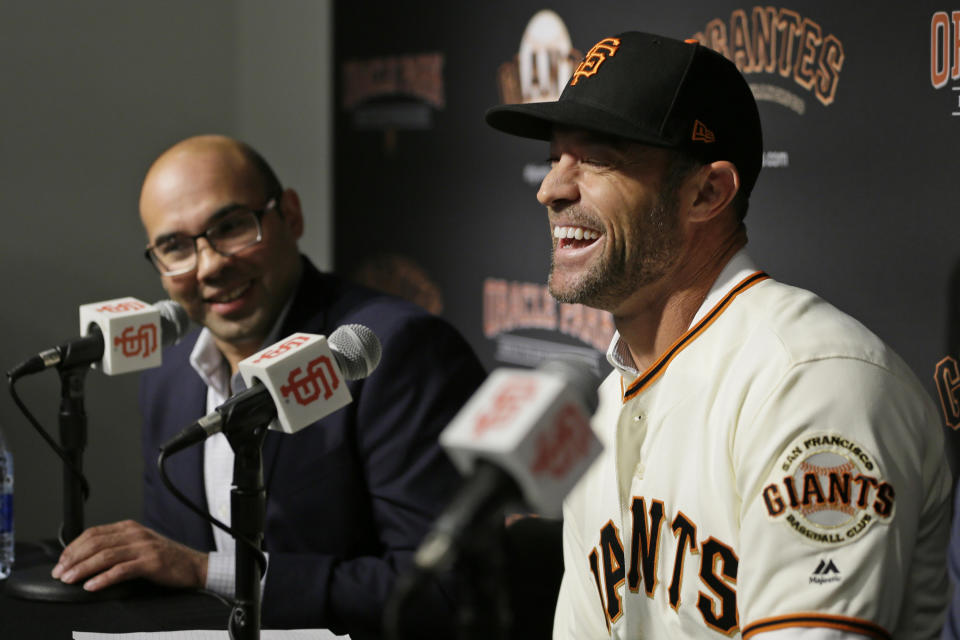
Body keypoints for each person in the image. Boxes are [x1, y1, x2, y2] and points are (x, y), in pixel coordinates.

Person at [485, 32, 951, 638]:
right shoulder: (601, 408)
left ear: (706, 192)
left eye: (596, 158)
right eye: (554, 159)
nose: (551, 189)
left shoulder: (810, 383)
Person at [50, 135, 486, 637]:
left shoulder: (396, 351)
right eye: (175, 246)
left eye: (232, 226)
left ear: (291, 217)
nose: (210, 265)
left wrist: (205, 571)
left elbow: (443, 589)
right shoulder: (168, 374)